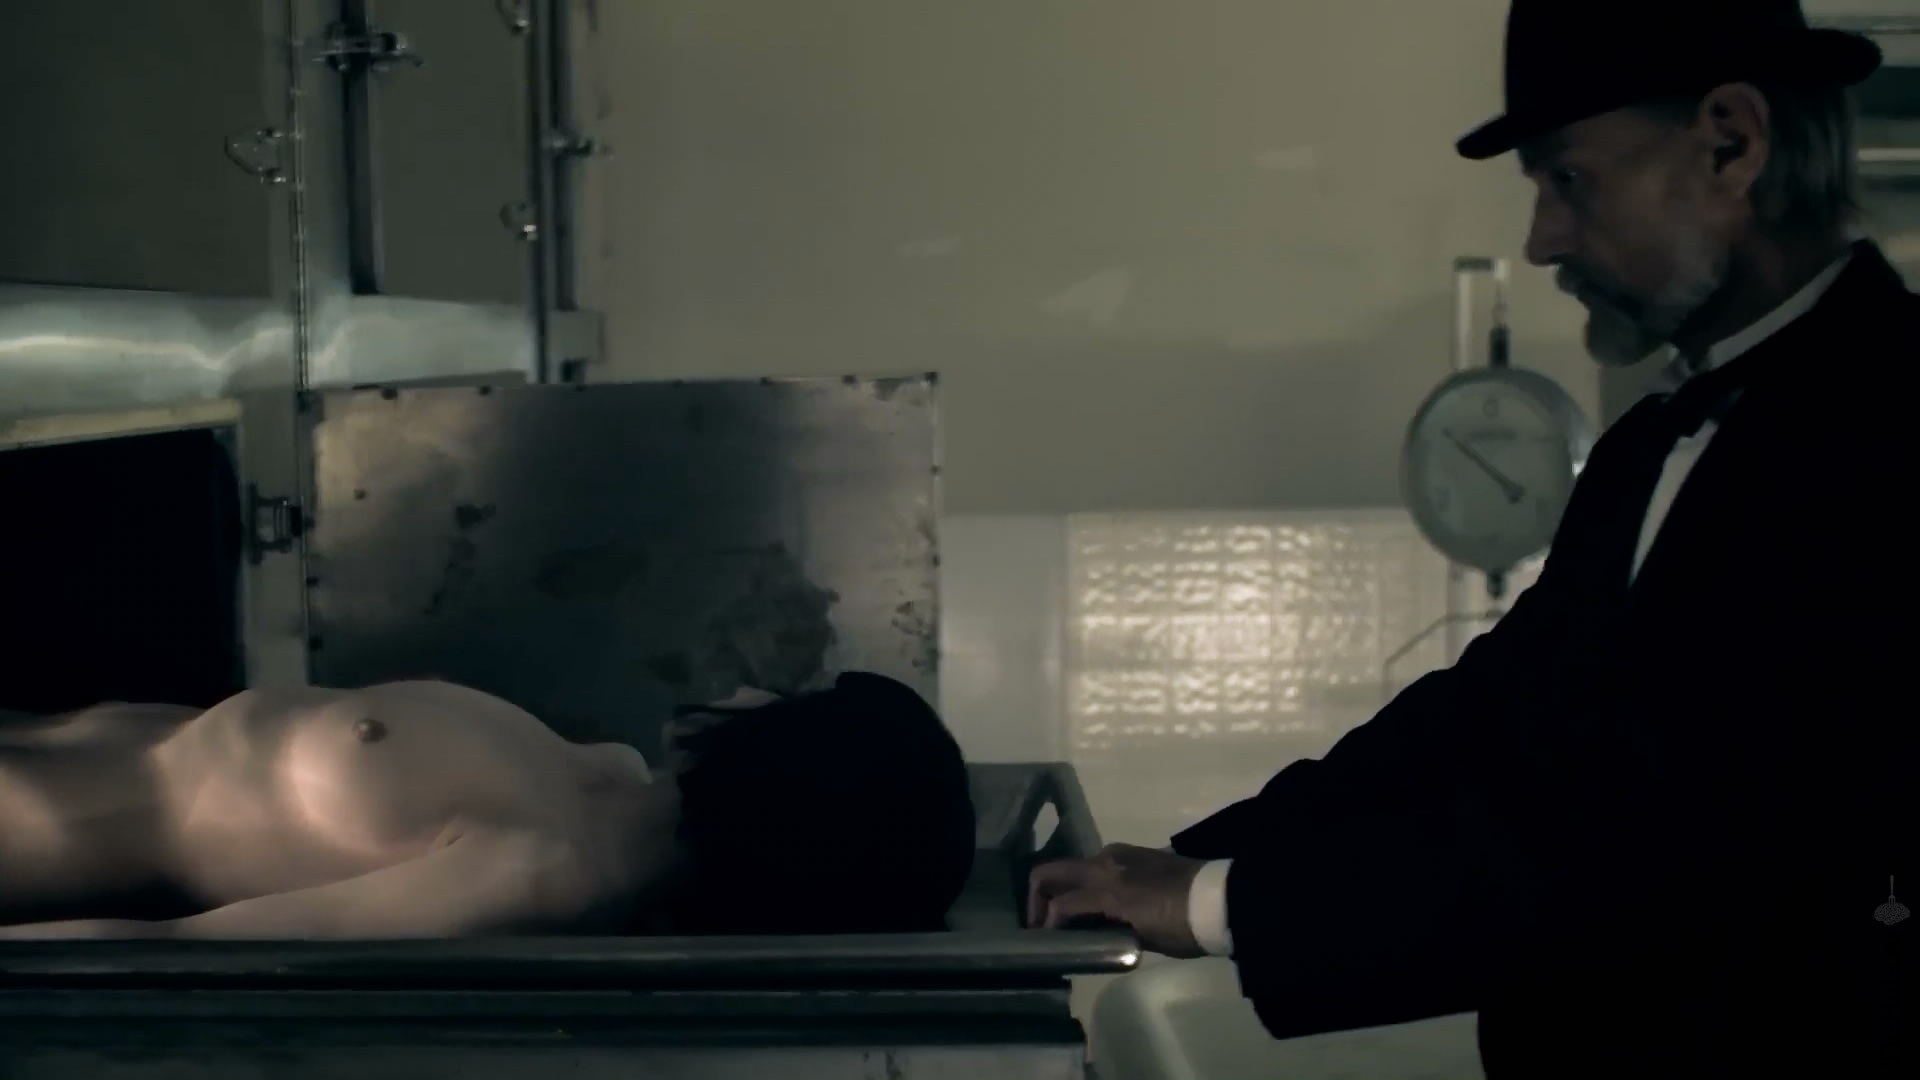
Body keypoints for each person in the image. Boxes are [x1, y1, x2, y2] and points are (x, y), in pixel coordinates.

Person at [1029, 0, 1914, 1074]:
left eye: (1568, 181)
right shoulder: (1651, 443)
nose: (1541, 241)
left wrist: (1223, 903)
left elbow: (1645, 842)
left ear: (1732, 143)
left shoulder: (1889, 435)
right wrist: (1191, 859)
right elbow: (1492, 710)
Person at [0, 672, 975, 940]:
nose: (755, 688)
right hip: (49, 736)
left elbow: (179, 953)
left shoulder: (538, 871)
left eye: (790, 701)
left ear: (790, 765)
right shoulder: (605, 773)